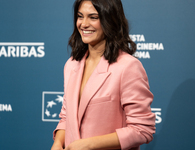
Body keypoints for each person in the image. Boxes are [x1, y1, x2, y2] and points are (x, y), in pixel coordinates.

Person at [51, 0, 155, 150]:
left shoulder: (127, 67)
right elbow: (67, 116)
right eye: (80, 16)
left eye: (93, 17)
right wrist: (58, 143)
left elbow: (142, 129)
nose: (84, 24)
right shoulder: (71, 65)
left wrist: (89, 144)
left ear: (110, 20)